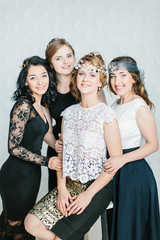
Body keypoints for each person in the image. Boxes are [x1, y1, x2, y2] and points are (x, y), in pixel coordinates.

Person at [24, 52, 122, 240]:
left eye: (92, 75)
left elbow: (115, 163)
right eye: (82, 74)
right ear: (76, 78)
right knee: (31, 223)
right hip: (69, 184)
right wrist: (61, 188)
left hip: (97, 187)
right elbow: (62, 155)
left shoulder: (106, 115)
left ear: (100, 82)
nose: (86, 79)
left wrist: (88, 195)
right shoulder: (68, 114)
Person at [0, 56, 62, 240]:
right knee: (16, 227)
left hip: (31, 175)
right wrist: (46, 160)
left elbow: (45, 136)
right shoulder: (23, 105)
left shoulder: (42, 107)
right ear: (25, 81)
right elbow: (13, 147)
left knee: (19, 224)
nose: (40, 81)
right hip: (16, 174)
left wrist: (58, 144)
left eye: (44, 75)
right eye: (33, 77)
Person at [104, 56, 160, 240]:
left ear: (134, 78)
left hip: (134, 174)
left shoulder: (139, 106)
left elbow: (153, 145)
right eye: (112, 76)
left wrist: (122, 159)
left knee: (130, 230)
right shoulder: (115, 105)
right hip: (116, 172)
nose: (116, 81)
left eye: (122, 75)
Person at [45, 38, 107, 192]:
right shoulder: (46, 88)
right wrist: (55, 144)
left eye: (69, 55)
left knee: (84, 201)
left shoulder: (86, 80)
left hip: (86, 150)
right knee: (58, 197)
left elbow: (103, 118)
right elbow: (45, 127)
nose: (65, 61)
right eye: (58, 58)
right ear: (51, 63)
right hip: (59, 148)